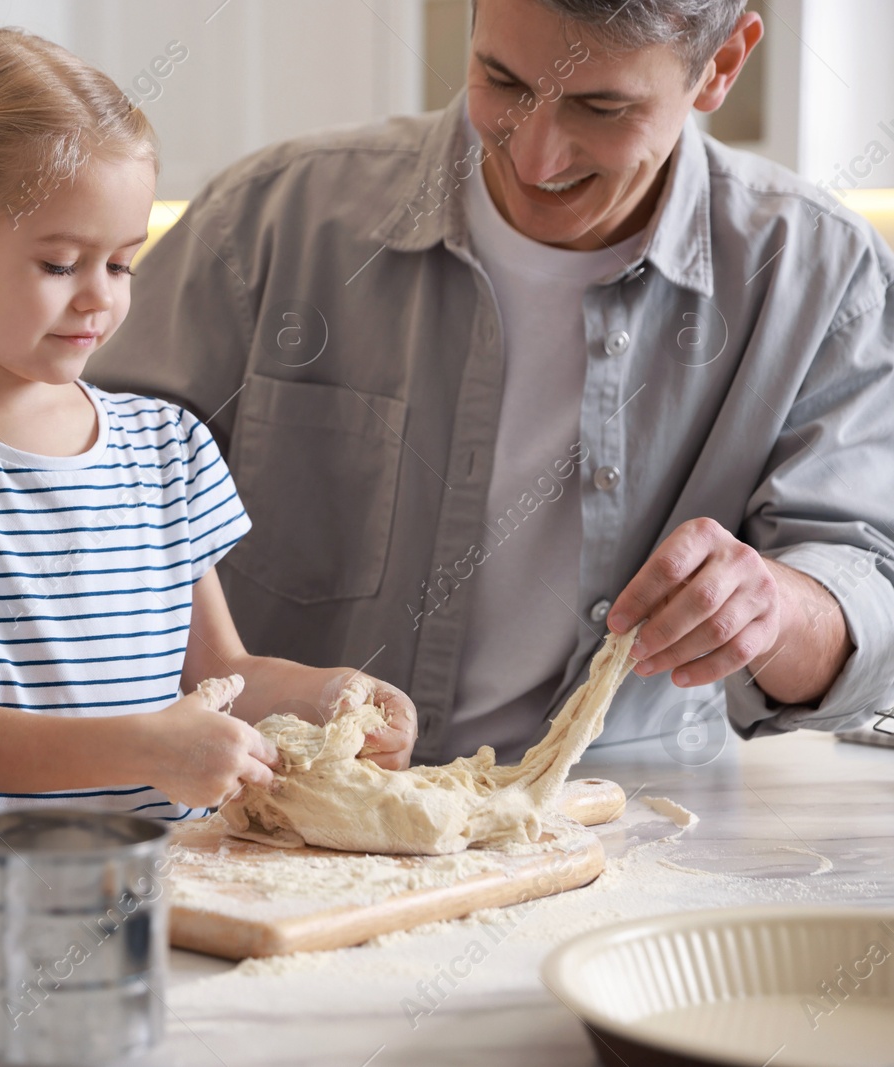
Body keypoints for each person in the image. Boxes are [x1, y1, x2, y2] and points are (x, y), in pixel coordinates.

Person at [93, 0, 894, 764]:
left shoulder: (822, 275)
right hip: (276, 822)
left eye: (602, 108)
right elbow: (68, 508)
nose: (534, 155)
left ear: (721, 65)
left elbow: (869, 595)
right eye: (503, 82)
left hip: (629, 830)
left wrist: (777, 608)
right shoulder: (267, 221)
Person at [0, 28, 419, 823]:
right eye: (60, 264)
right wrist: (148, 748)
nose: (100, 298)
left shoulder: (169, 445)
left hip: (174, 894)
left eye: (121, 263)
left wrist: (332, 690)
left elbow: (222, 672)